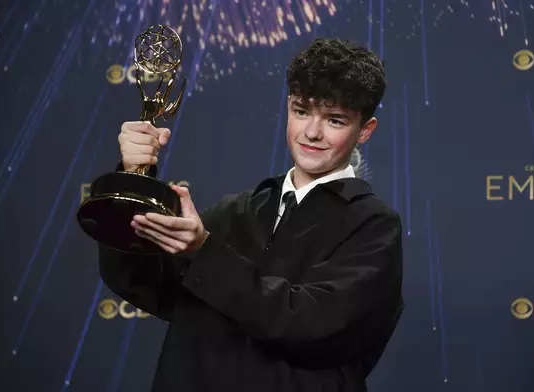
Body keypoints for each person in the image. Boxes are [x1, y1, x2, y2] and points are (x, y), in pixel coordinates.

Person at [98, 37, 404, 392]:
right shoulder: (235, 211)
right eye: (301, 111)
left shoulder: (374, 226)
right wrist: (134, 179)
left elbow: (310, 324)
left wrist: (205, 252)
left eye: (335, 120)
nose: (312, 132)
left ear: (365, 130)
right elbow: (142, 282)